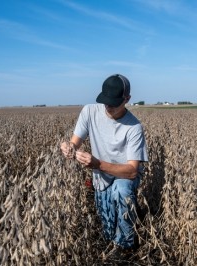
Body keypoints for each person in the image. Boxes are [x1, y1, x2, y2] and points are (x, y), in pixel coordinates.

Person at [60, 74, 148, 260]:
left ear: (127, 99)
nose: (108, 107)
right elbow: (75, 141)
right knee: (108, 232)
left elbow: (132, 171)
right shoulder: (89, 111)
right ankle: (133, 213)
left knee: (121, 190)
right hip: (101, 177)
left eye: (114, 103)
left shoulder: (134, 127)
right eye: (105, 101)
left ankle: (126, 245)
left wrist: (97, 164)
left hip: (124, 176)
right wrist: (70, 148)